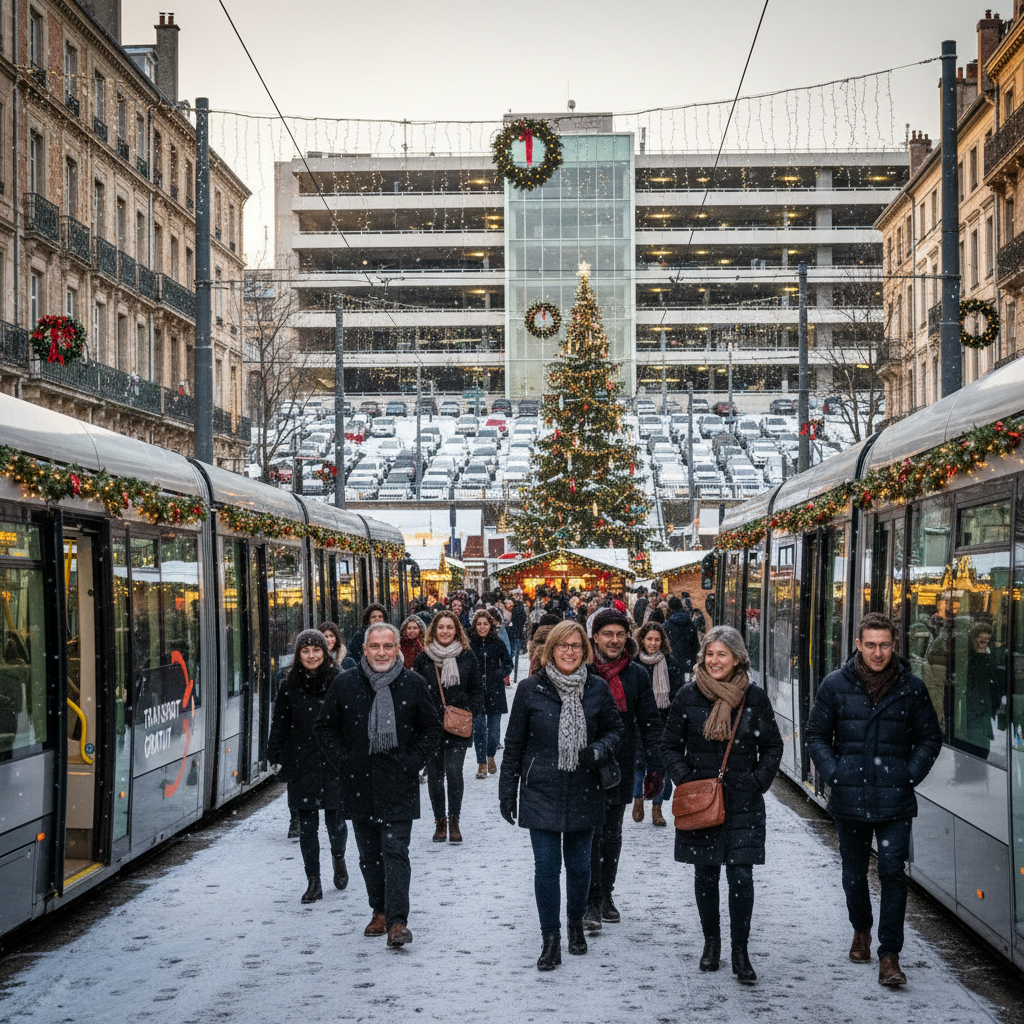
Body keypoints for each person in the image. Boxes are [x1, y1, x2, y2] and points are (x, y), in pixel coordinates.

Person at [805, 612, 942, 987]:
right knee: (853, 875)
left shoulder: (911, 688)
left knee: (892, 874)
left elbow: (930, 738)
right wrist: (835, 773)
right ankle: (861, 930)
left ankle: (889, 954)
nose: (877, 653)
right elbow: (816, 734)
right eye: (870, 645)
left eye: (884, 645)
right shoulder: (835, 685)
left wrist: (907, 774)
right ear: (858, 645)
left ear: (893, 645)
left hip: (894, 799)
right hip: (849, 797)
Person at [498, 620, 624, 970]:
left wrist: (599, 748)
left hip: (585, 787)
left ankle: (575, 926)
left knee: (581, 867)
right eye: (563, 646)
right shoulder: (530, 689)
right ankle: (550, 939)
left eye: (576, 646)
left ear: (585, 651)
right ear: (551, 649)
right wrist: (507, 789)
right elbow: (514, 745)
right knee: (547, 868)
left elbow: (616, 730)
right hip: (542, 789)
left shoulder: (596, 688)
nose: (569, 652)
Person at [662, 625, 783, 984]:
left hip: (743, 801)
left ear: (737, 658)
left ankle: (740, 951)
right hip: (702, 803)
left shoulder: (754, 698)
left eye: (722, 654)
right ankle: (711, 943)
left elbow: (773, 746)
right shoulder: (688, 695)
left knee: (741, 876)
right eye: (710, 654)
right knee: (706, 874)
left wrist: (758, 781)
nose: (715, 661)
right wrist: (686, 780)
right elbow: (669, 745)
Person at [313, 622, 442, 947]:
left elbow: (431, 729)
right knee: (369, 855)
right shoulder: (345, 684)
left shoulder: (413, 683)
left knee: (395, 851)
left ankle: (397, 922)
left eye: (388, 646)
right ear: (365, 649)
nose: (382, 652)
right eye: (375, 646)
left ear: (397, 649)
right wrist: (345, 761)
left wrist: (413, 763)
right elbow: (325, 728)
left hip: (399, 784)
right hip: (359, 784)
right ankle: (379, 910)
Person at [582, 608, 664, 930]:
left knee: (612, 834)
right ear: (595, 637)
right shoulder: (583, 670)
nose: (614, 640)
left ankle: (605, 895)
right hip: (585, 764)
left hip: (620, 764)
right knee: (589, 834)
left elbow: (650, 723)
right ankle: (589, 898)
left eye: (620, 634)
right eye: (607, 634)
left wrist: (656, 766)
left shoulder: (636, 675)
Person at [267, 629, 348, 904]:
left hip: (334, 760)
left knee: (336, 821)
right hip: (302, 760)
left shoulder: (339, 679)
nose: (311, 656)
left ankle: (339, 858)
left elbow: (350, 721)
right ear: (298, 654)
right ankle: (313, 881)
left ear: (324, 652)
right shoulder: (288, 684)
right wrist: (274, 753)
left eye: (316, 650)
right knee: (308, 825)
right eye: (305, 651)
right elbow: (279, 721)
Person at [413, 610, 483, 844]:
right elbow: (417, 692)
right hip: (430, 726)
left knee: (454, 772)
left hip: (457, 724)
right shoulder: (424, 658)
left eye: (449, 627)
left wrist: (468, 710)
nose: (445, 631)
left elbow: (476, 688)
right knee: (435, 775)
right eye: (441, 627)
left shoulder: (467, 655)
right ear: (434, 630)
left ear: (456, 630)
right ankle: (439, 821)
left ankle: (454, 820)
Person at [631, 621, 687, 826]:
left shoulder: (670, 662)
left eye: (657, 639)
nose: (653, 643)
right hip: (637, 721)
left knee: (659, 767)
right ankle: (637, 800)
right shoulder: (634, 662)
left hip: (662, 722)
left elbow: (678, 693)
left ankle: (657, 809)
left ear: (662, 641)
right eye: (649, 639)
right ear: (642, 640)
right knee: (638, 764)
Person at [469, 609, 513, 778]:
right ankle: (481, 763)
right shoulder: (470, 643)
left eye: (485, 624)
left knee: (494, 731)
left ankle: (491, 756)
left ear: (490, 625)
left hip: (495, 691)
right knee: (479, 729)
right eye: (479, 624)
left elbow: (508, 664)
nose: (482, 627)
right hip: (476, 692)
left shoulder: (497, 642)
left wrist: (497, 676)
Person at [663, 595, 699, 675]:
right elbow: (695, 645)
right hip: (687, 661)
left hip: (672, 662)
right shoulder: (690, 623)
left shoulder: (667, 625)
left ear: (670, 608)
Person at [507, 593, 527, 681]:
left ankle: (510, 674)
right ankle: (513, 676)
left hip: (512, 633)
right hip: (518, 634)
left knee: (512, 653)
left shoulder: (513, 610)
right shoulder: (521, 610)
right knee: (515, 654)